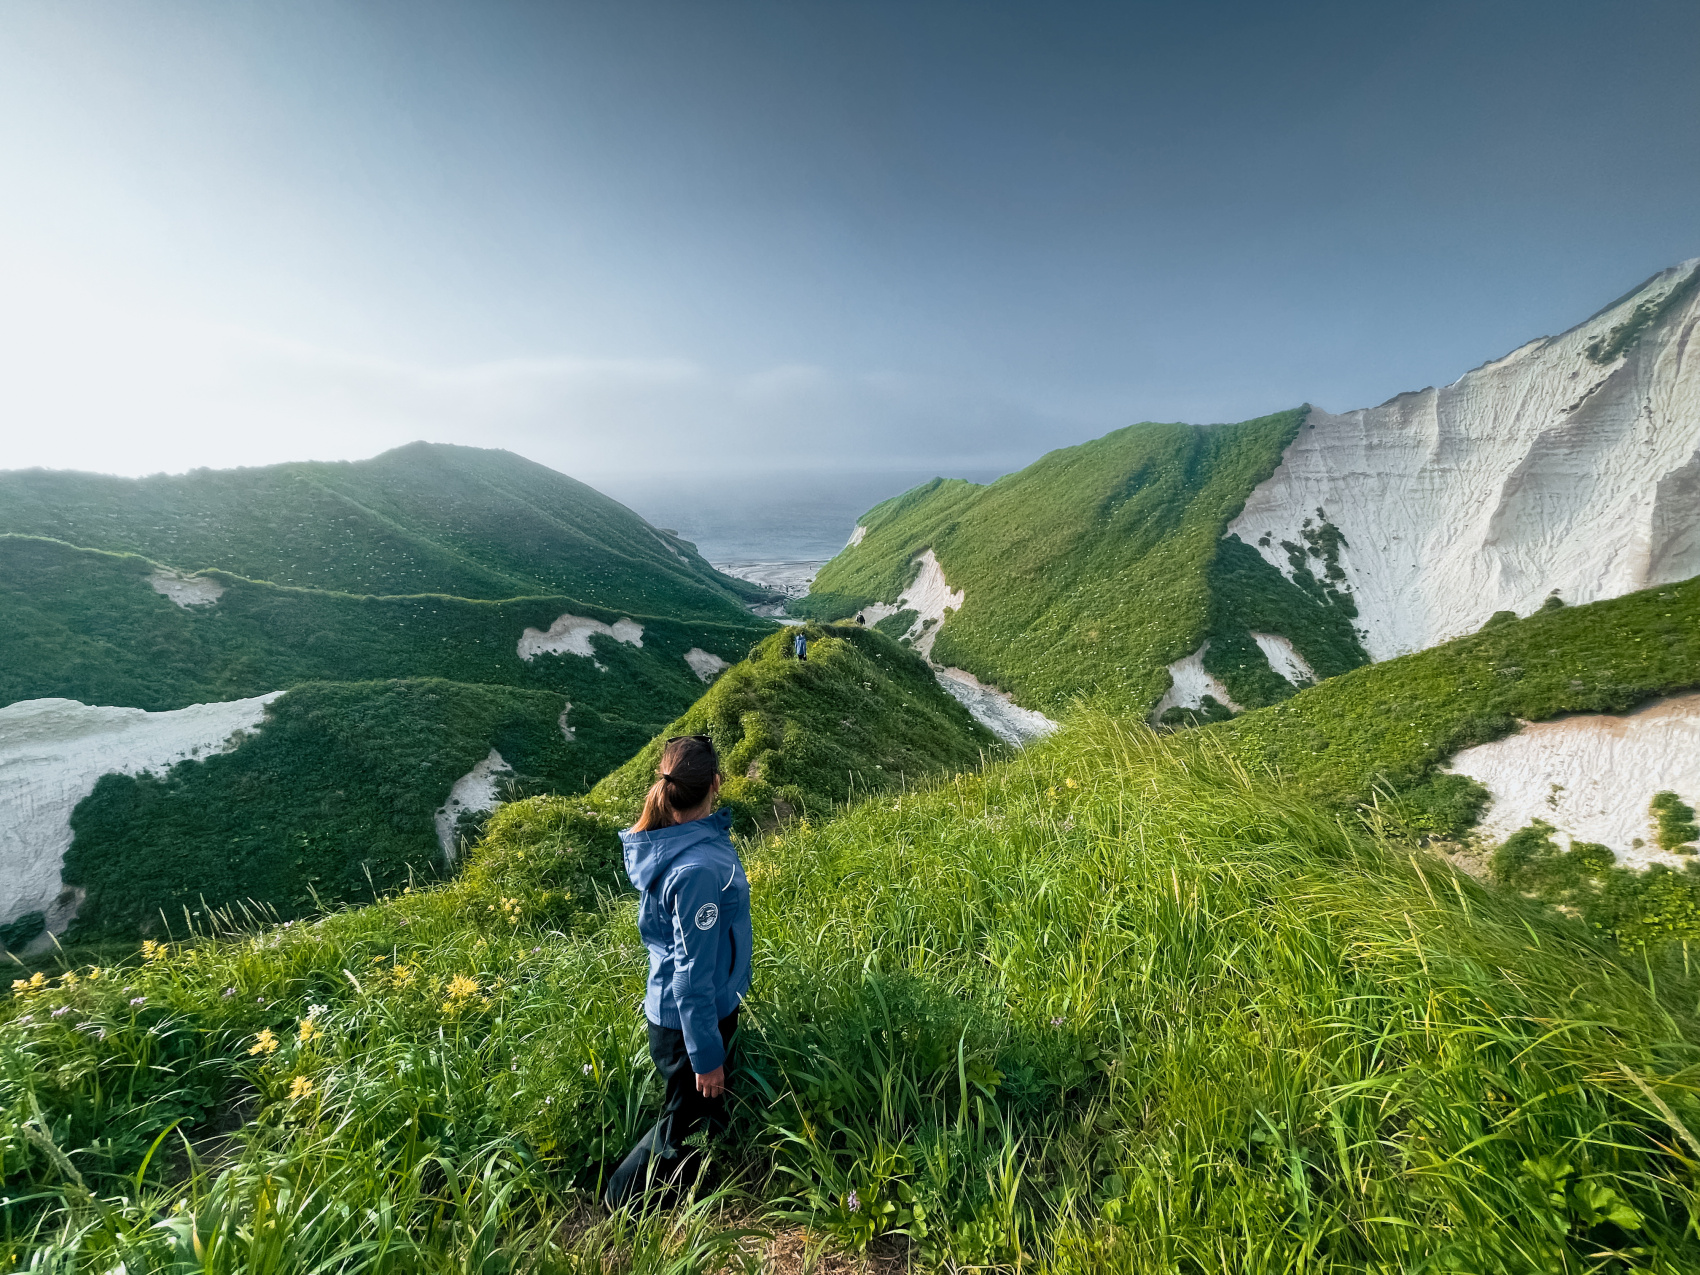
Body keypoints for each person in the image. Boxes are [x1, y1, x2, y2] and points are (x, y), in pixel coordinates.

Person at [603, 734, 752, 1209]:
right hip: (692, 1019)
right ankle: (619, 1202)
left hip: (684, 1012)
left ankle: (694, 1185)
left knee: (696, 1114)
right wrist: (706, 1055)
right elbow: (691, 973)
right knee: (679, 1124)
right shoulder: (698, 869)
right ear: (715, 783)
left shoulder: (673, 844)